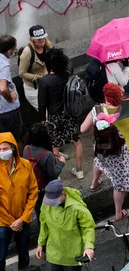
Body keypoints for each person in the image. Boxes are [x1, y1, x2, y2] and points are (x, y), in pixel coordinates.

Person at [35, 179, 95, 271]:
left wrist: (88, 247)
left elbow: (88, 227)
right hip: (54, 252)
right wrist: (40, 243)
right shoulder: (46, 204)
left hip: (73, 253)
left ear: (63, 195)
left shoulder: (77, 208)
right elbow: (44, 224)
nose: (51, 203)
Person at [80, 83, 129, 221]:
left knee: (98, 161)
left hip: (101, 148)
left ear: (106, 96)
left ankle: (94, 183)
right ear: (119, 97)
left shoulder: (96, 109)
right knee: (119, 184)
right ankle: (118, 212)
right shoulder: (125, 111)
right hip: (119, 154)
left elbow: (82, 129)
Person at [0, 132, 37, 271]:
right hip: (3, 223)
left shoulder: (26, 166)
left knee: (24, 255)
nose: (2, 151)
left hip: (23, 220)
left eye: (5, 148)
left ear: (13, 148)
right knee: (0, 258)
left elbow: (33, 192)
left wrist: (22, 219)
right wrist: (12, 222)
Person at [37, 48, 84, 179]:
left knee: (55, 145)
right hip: (70, 114)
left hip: (53, 116)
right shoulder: (68, 76)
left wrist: (42, 120)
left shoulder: (45, 81)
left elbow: (42, 104)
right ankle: (79, 171)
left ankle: (57, 174)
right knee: (77, 142)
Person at [23, 123, 65, 221]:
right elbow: (53, 176)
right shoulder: (48, 155)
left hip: (33, 188)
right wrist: (61, 163)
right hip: (47, 189)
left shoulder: (26, 149)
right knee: (54, 212)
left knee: (40, 213)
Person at [19, 25, 52, 112]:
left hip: (46, 85)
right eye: (38, 39)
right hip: (33, 88)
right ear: (32, 39)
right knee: (46, 113)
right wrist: (39, 78)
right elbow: (22, 73)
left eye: (43, 38)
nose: (42, 40)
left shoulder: (48, 47)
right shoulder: (27, 52)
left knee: (53, 111)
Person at [0, 35, 23, 147]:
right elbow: (3, 88)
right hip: (7, 111)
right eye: (14, 49)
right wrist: (10, 97)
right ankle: (15, 163)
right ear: (9, 51)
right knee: (13, 141)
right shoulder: (4, 64)